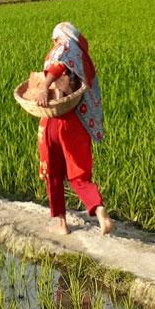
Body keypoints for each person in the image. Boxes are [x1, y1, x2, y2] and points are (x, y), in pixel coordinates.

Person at [33, 22, 114, 236]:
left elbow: (58, 66)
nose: (53, 43)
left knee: (54, 173)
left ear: (59, 37)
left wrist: (43, 87)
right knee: (79, 175)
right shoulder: (84, 58)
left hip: (56, 119)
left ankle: (61, 223)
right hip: (78, 122)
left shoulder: (65, 48)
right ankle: (99, 209)